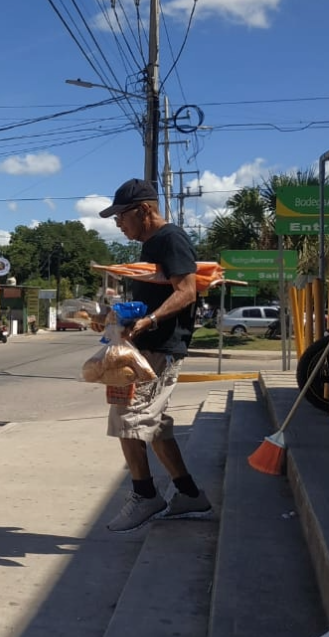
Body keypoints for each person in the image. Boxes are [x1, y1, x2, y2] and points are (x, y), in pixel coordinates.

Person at [95, 178, 212, 532]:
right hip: (146, 344)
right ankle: (189, 494)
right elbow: (155, 296)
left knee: (127, 417)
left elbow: (187, 292)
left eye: (121, 217)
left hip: (160, 347)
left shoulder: (169, 239)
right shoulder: (150, 246)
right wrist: (117, 319)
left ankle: (145, 495)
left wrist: (149, 320)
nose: (119, 224)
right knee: (154, 424)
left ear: (144, 210)